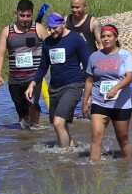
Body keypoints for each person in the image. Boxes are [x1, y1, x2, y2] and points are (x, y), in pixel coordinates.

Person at [27, 11, 90, 148]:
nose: (51, 31)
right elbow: (43, 67)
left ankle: (64, 159)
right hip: (54, 88)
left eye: (55, 28)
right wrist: (32, 84)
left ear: (63, 24)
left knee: (58, 123)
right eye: (49, 28)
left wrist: (88, 93)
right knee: (62, 126)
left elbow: (87, 67)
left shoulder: (76, 40)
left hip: (73, 86)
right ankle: (73, 150)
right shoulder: (47, 43)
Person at [84, 24, 132, 160]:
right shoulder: (94, 56)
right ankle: (94, 172)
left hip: (120, 102)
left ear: (116, 37)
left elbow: (130, 76)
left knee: (122, 138)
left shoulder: (125, 55)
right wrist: (84, 102)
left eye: (109, 36)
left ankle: (128, 168)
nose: (106, 39)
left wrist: (116, 88)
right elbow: (89, 80)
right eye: (103, 36)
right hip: (99, 101)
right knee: (96, 136)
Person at [0, 0, 43, 129]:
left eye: (28, 15)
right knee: (21, 111)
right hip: (15, 79)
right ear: (16, 13)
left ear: (32, 14)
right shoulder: (7, 31)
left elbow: (51, 47)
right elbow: (0, 53)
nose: (25, 19)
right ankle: (25, 132)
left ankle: (35, 129)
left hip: (34, 77)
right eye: (22, 15)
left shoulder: (38, 28)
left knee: (32, 103)